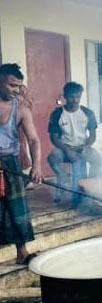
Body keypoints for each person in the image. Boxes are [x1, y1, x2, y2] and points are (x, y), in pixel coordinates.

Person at [0, 64, 43, 264]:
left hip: (11, 163)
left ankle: (22, 253)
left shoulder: (22, 109)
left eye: (19, 86)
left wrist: (37, 166)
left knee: (17, 209)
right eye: (11, 85)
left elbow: (34, 140)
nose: (16, 90)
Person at [48, 82, 102, 202]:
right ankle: (63, 178)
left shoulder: (87, 113)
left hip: (82, 146)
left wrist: (86, 146)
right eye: (72, 97)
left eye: (78, 96)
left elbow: (92, 136)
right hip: (64, 147)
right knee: (53, 157)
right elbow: (54, 137)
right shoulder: (57, 114)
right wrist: (67, 150)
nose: (75, 100)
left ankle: (89, 185)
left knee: (97, 158)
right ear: (65, 96)